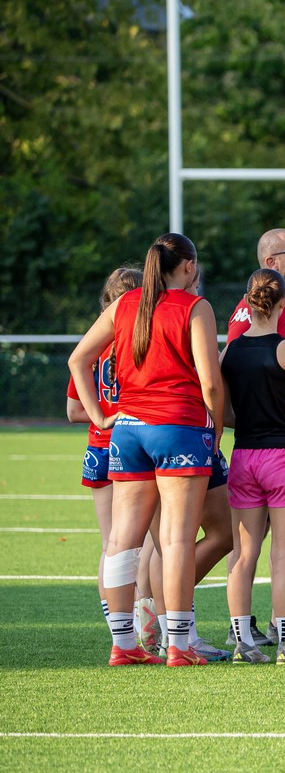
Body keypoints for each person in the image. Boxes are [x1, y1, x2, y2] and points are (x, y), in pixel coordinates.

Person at [68, 233, 224, 666]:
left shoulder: (124, 304)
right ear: (188, 266)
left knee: (122, 540)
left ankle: (123, 645)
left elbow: (77, 359)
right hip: (178, 428)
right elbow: (210, 381)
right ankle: (178, 645)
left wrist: (100, 418)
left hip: (128, 431)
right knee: (175, 539)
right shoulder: (196, 307)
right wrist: (216, 425)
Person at [226, 227, 285, 646]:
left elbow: (222, 405)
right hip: (284, 457)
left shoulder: (231, 351)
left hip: (242, 455)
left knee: (244, 554)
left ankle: (241, 636)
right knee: (284, 553)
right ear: (282, 301)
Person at [65, 267, 142, 635]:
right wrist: (118, 416)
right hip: (133, 448)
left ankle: (117, 627)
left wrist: (102, 417)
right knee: (144, 543)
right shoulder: (137, 339)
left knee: (111, 542)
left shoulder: (91, 344)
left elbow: (73, 410)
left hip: (98, 447)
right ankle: (144, 622)